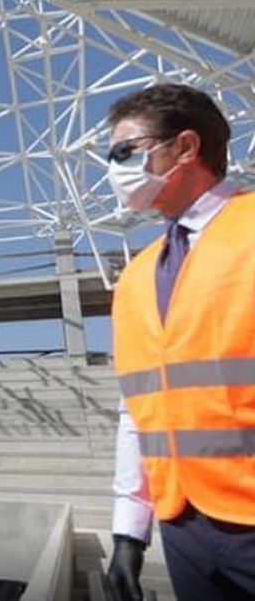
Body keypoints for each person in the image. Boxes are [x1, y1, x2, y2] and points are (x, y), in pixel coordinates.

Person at [103, 84, 255, 600]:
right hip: (183, 527)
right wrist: (129, 530)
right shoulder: (136, 277)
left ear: (186, 147)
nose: (115, 167)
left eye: (125, 151)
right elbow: (138, 409)